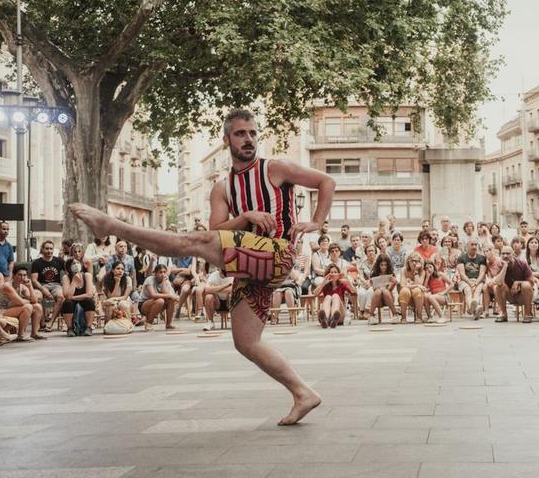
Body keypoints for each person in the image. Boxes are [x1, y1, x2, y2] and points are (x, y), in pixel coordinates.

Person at [72, 108, 334, 425]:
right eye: (240, 133)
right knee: (246, 342)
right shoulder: (222, 188)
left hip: (278, 253)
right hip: (247, 264)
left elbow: (325, 181)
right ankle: (304, 393)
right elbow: (219, 229)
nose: (249, 139)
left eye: (252, 133)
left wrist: (316, 222)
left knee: (191, 242)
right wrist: (246, 216)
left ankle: (111, 226)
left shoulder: (275, 168)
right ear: (226, 140)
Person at [0, 267, 44, 341]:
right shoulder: (7, 286)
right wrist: (27, 301)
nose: (22, 277)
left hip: (13, 308)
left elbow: (35, 300)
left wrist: (30, 286)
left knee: (37, 307)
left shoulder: (22, 286)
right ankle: (21, 335)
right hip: (2, 310)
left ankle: (34, 333)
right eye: (19, 275)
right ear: (14, 275)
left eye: (24, 275)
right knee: (27, 307)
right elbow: (21, 302)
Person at [494, 246, 535, 323]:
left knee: (526, 285)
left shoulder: (522, 264)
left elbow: (531, 282)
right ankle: (503, 314)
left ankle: (527, 314)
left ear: (513, 254)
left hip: (523, 295)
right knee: (498, 286)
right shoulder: (500, 265)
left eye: (508, 253)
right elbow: (498, 282)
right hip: (510, 295)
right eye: (503, 254)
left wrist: (518, 282)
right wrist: (504, 267)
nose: (505, 256)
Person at [30, 240, 65, 331]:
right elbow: (34, 280)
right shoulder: (37, 262)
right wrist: (42, 289)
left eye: (51, 249)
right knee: (37, 297)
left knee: (61, 297)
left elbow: (67, 272)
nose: (49, 251)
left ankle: (50, 322)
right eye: (47, 248)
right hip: (42, 284)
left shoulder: (59, 261)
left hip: (56, 285)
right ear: (42, 249)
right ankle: (41, 323)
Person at [60, 258, 97, 336]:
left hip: (83, 299)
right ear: (69, 267)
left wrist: (73, 298)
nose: (76, 265)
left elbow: (89, 294)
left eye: (78, 263)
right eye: (73, 263)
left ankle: (89, 327)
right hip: (72, 301)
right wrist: (74, 281)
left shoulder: (87, 275)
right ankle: (70, 328)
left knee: (89, 301)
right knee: (67, 303)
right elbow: (67, 295)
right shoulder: (66, 277)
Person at [312, 263, 354, 328]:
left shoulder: (342, 283)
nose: (333, 274)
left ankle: (333, 318)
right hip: (327, 311)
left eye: (335, 272)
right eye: (331, 272)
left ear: (338, 274)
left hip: (340, 314)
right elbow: (315, 294)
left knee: (335, 296)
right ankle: (326, 319)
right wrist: (323, 282)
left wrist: (348, 281)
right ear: (328, 274)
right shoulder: (325, 284)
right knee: (328, 297)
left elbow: (354, 292)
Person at [456, 238, 487, 320]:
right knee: (467, 291)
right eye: (472, 245)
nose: (474, 246)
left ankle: (472, 309)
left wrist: (476, 283)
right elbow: (462, 274)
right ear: (467, 246)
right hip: (465, 281)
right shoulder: (461, 258)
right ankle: (476, 309)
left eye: (475, 245)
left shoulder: (482, 258)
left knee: (477, 291)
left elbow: (482, 273)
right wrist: (470, 283)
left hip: (478, 281)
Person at [101, 261, 134, 326]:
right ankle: (107, 326)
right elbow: (110, 296)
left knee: (122, 304)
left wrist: (114, 299)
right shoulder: (107, 279)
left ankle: (128, 325)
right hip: (111, 302)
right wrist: (117, 283)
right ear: (113, 270)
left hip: (125, 301)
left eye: (122, 269)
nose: (120, 271)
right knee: (111, 305)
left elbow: (125, 297)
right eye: (118, 268)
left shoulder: (127, 279)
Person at [398, 254, 427, 323]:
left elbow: (420, 284)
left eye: (416, 261)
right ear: (408, 261)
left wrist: (416, 271)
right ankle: (403, 317)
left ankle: (419, 317)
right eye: (412, 261)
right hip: (405, 294)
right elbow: (402, 285)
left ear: (420, 262)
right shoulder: (403, 270)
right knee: (404, 291)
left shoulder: (422, 271)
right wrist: (417, 285)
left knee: (418, 291)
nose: (414, 263)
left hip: (417, 295)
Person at [423, 259, 450, 323]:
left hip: (444, 297)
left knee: (430, 297)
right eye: (427, 268)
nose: (429, 269)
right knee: (425, 296)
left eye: (430, 267)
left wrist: (444, 292)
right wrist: (427, 277)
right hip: (434, 296)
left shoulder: (440, 274)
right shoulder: (427, 278)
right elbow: (424, 288)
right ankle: (430, 317)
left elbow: (452, 284)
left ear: (433, 267)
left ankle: (442, 317)